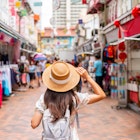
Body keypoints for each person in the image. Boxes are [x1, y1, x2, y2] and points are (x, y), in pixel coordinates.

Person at [31, 61, 106, 140]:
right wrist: (88, 77)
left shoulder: (44, 99)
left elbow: (34, 124)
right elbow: (101, 95)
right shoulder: (75, 98)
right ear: (69, 80)